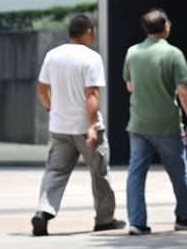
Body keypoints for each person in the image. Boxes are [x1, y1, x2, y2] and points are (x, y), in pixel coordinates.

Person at [32, 13, 125, 236]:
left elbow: (42, 89)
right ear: (89, 32)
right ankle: (104, 219)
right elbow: (91, 94)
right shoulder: (91, 58)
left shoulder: (52, 55)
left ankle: (43, 212)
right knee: (99, 173)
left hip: (59, 127)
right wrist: (92, 126)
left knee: (55, 171)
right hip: (85, 128)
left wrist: (50, 108)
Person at [123, 9, 187, 235]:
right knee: (179, 171)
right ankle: (186, 217)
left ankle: (137, 223)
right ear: (165, 26)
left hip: (138, 123)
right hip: (167, 124)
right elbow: (183, 90)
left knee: (136, 173)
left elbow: (129, 86)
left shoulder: (132, 52)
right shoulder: (173, 54)